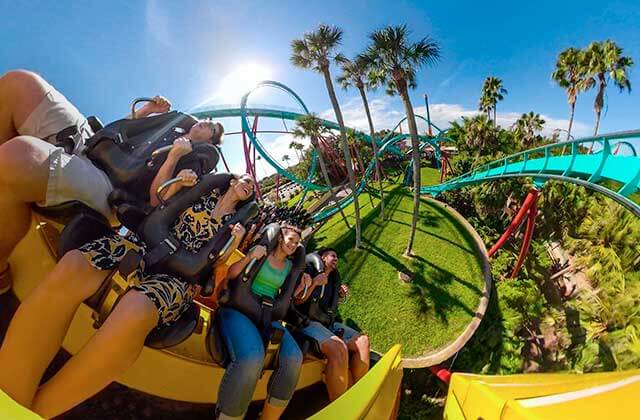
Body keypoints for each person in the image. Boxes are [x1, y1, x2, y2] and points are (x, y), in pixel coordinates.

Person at [0, 173, 255, 418]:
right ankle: (9, 397)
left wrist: (233, 244)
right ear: (232, 180)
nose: (249, 185)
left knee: (136, 310)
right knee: (75, 266)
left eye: (252, 187)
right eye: (246, 180)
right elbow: (157, 200)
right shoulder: (198, 188)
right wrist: (179, 182)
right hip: (143, 246)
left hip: (178, 279)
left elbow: (215, 267)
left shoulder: (235, 225)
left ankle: (26, 414)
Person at [0, 70, 223, 294]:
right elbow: (123, 131)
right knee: (18, 83)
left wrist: (173, 156)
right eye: (207, 121)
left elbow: (158, 199)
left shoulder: (193, 160)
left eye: (211, 128)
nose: (205, 123)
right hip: (92, 143)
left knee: (17, 157)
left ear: (212, 141)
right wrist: (148, 111)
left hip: (109, 185)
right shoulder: (170, 124)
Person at [216, 224, 311, 420]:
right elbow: (232, 274)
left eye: (297, 242)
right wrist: (250, 256)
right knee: (252, 358)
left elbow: (287, 297)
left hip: (267, 315)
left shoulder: (289, 268)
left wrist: (303, 285)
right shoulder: (261, 254)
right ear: (279, 238)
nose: (294, 244)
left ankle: (269, 417)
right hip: (239, 309)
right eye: (291, 239)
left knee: (294, 358)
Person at [294, 248, 370, 401]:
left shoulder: (334, 278)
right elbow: (297, 301)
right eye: (333, 256)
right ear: (323, 257)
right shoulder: (309, 271)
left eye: (337, 257)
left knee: (363, 341)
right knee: (339, 347)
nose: (336, 259)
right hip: (307, 322)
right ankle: (339, 405)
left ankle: (358, 391)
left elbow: (329, 308)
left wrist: (339, 296)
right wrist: (315, 283)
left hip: (328, 324)